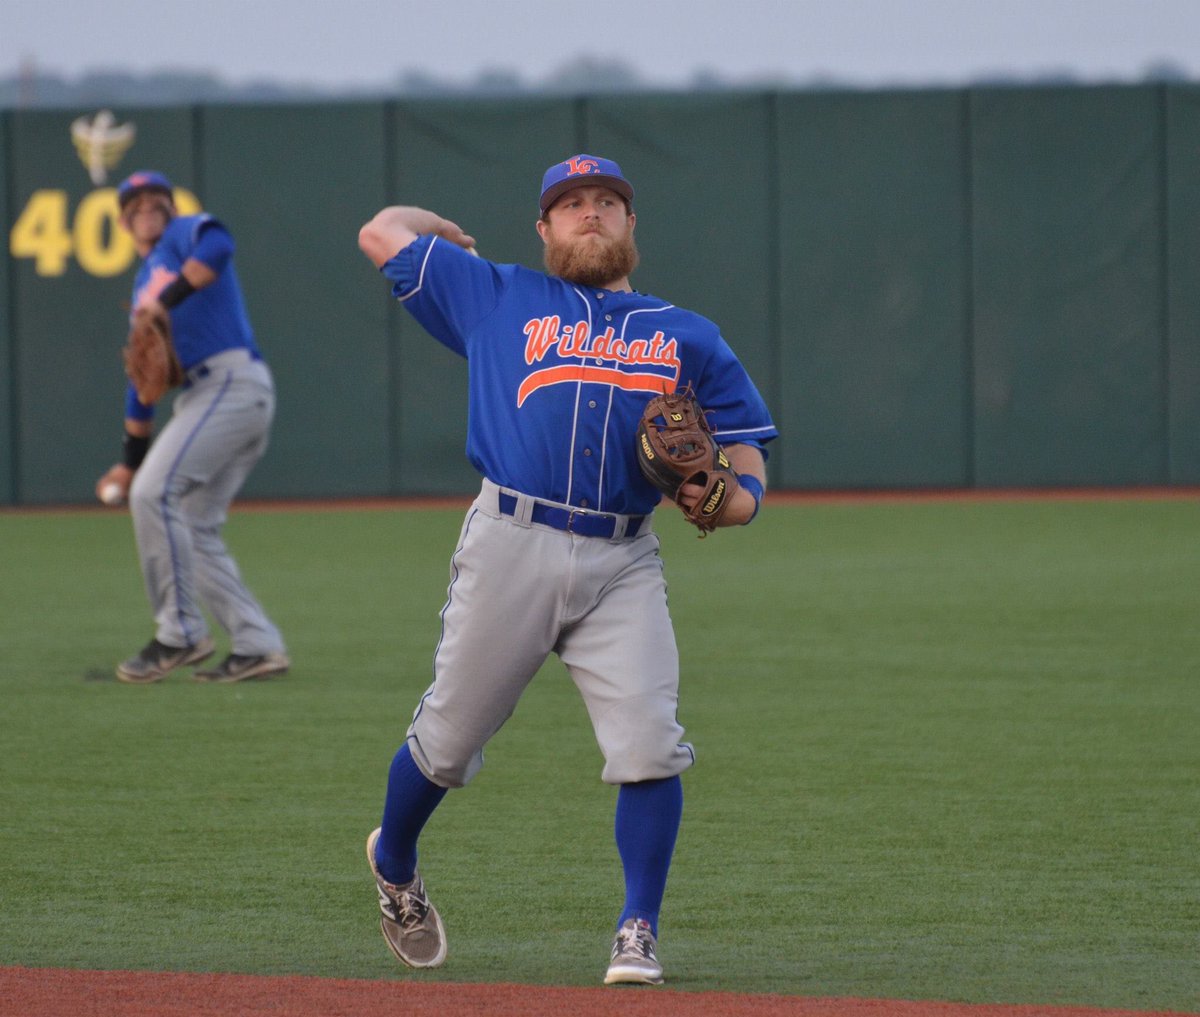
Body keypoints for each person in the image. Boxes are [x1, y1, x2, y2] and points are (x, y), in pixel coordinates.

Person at [357, 154, 778, 985]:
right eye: (572, 203)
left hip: (623, 557)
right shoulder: (495, 292)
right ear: (544, 227)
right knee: (447, 744)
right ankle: (394, 862)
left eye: (608, 201)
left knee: (650, 743)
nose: (591, 212)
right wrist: (443, 231)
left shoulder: (686, 333)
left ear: (631, 224)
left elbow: (746, 443)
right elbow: (381, 231)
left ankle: (637, 927)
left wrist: (738, 501)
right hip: (510, 540)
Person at [95, 170, 289, 685]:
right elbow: (142, 385)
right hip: (213, 398)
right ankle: (256, 644)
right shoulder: (142, 286)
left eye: (155, 200)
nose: (146, 209)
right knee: (189, 521)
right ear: (122, 222)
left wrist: (167, 299)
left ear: (171, 207)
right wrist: (128, 462)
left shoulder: (181, 236)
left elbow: (220, 246)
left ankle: (179, 633)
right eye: (134, 205)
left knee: (154, 495)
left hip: (230, 382)